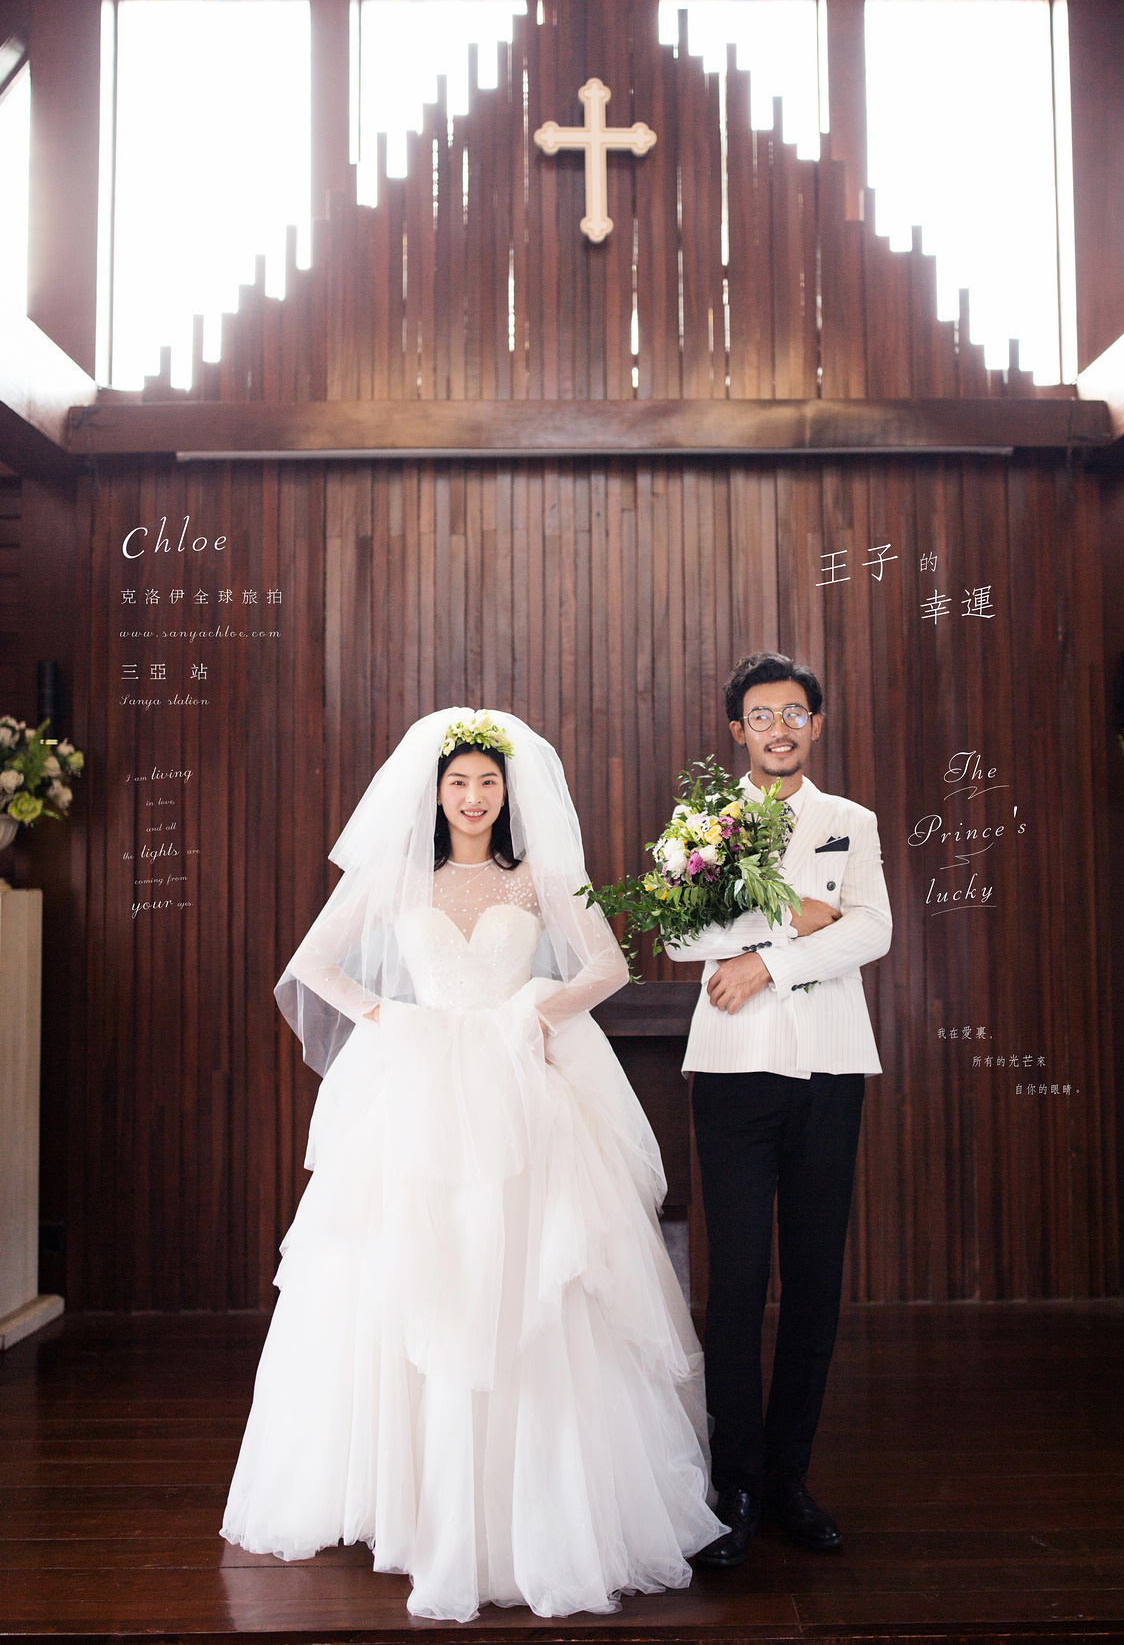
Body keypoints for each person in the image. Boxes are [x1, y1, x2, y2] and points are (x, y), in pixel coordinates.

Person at [221, 708, 723, 1622]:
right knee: (413, 1274)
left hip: (519, 1086)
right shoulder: (398, 879)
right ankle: (417, 1504)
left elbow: (606, 967)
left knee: (531, 1277)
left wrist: (533, 1012)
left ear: (508, 792)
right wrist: (389, 1019)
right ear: (436, 792)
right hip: (417, 1084)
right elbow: (313, 964)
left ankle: (540, 1509)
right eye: (459, 782)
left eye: (489, 782)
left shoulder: (539, 878)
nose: (474, 797)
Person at [666, 653, 892, 1567]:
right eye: (762, 716)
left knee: (813, 1282)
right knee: (736, 1283)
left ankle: (791, 1479)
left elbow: (872, 928)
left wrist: (767, 961)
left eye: (795, 713)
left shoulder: (850, 822)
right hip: (732, 1072)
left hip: (832, 1070)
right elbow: (680, 935)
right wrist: (790, 916)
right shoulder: (700, 823)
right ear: (738, 731)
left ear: (816, 724)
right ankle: (737, 1486)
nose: (780, 729)